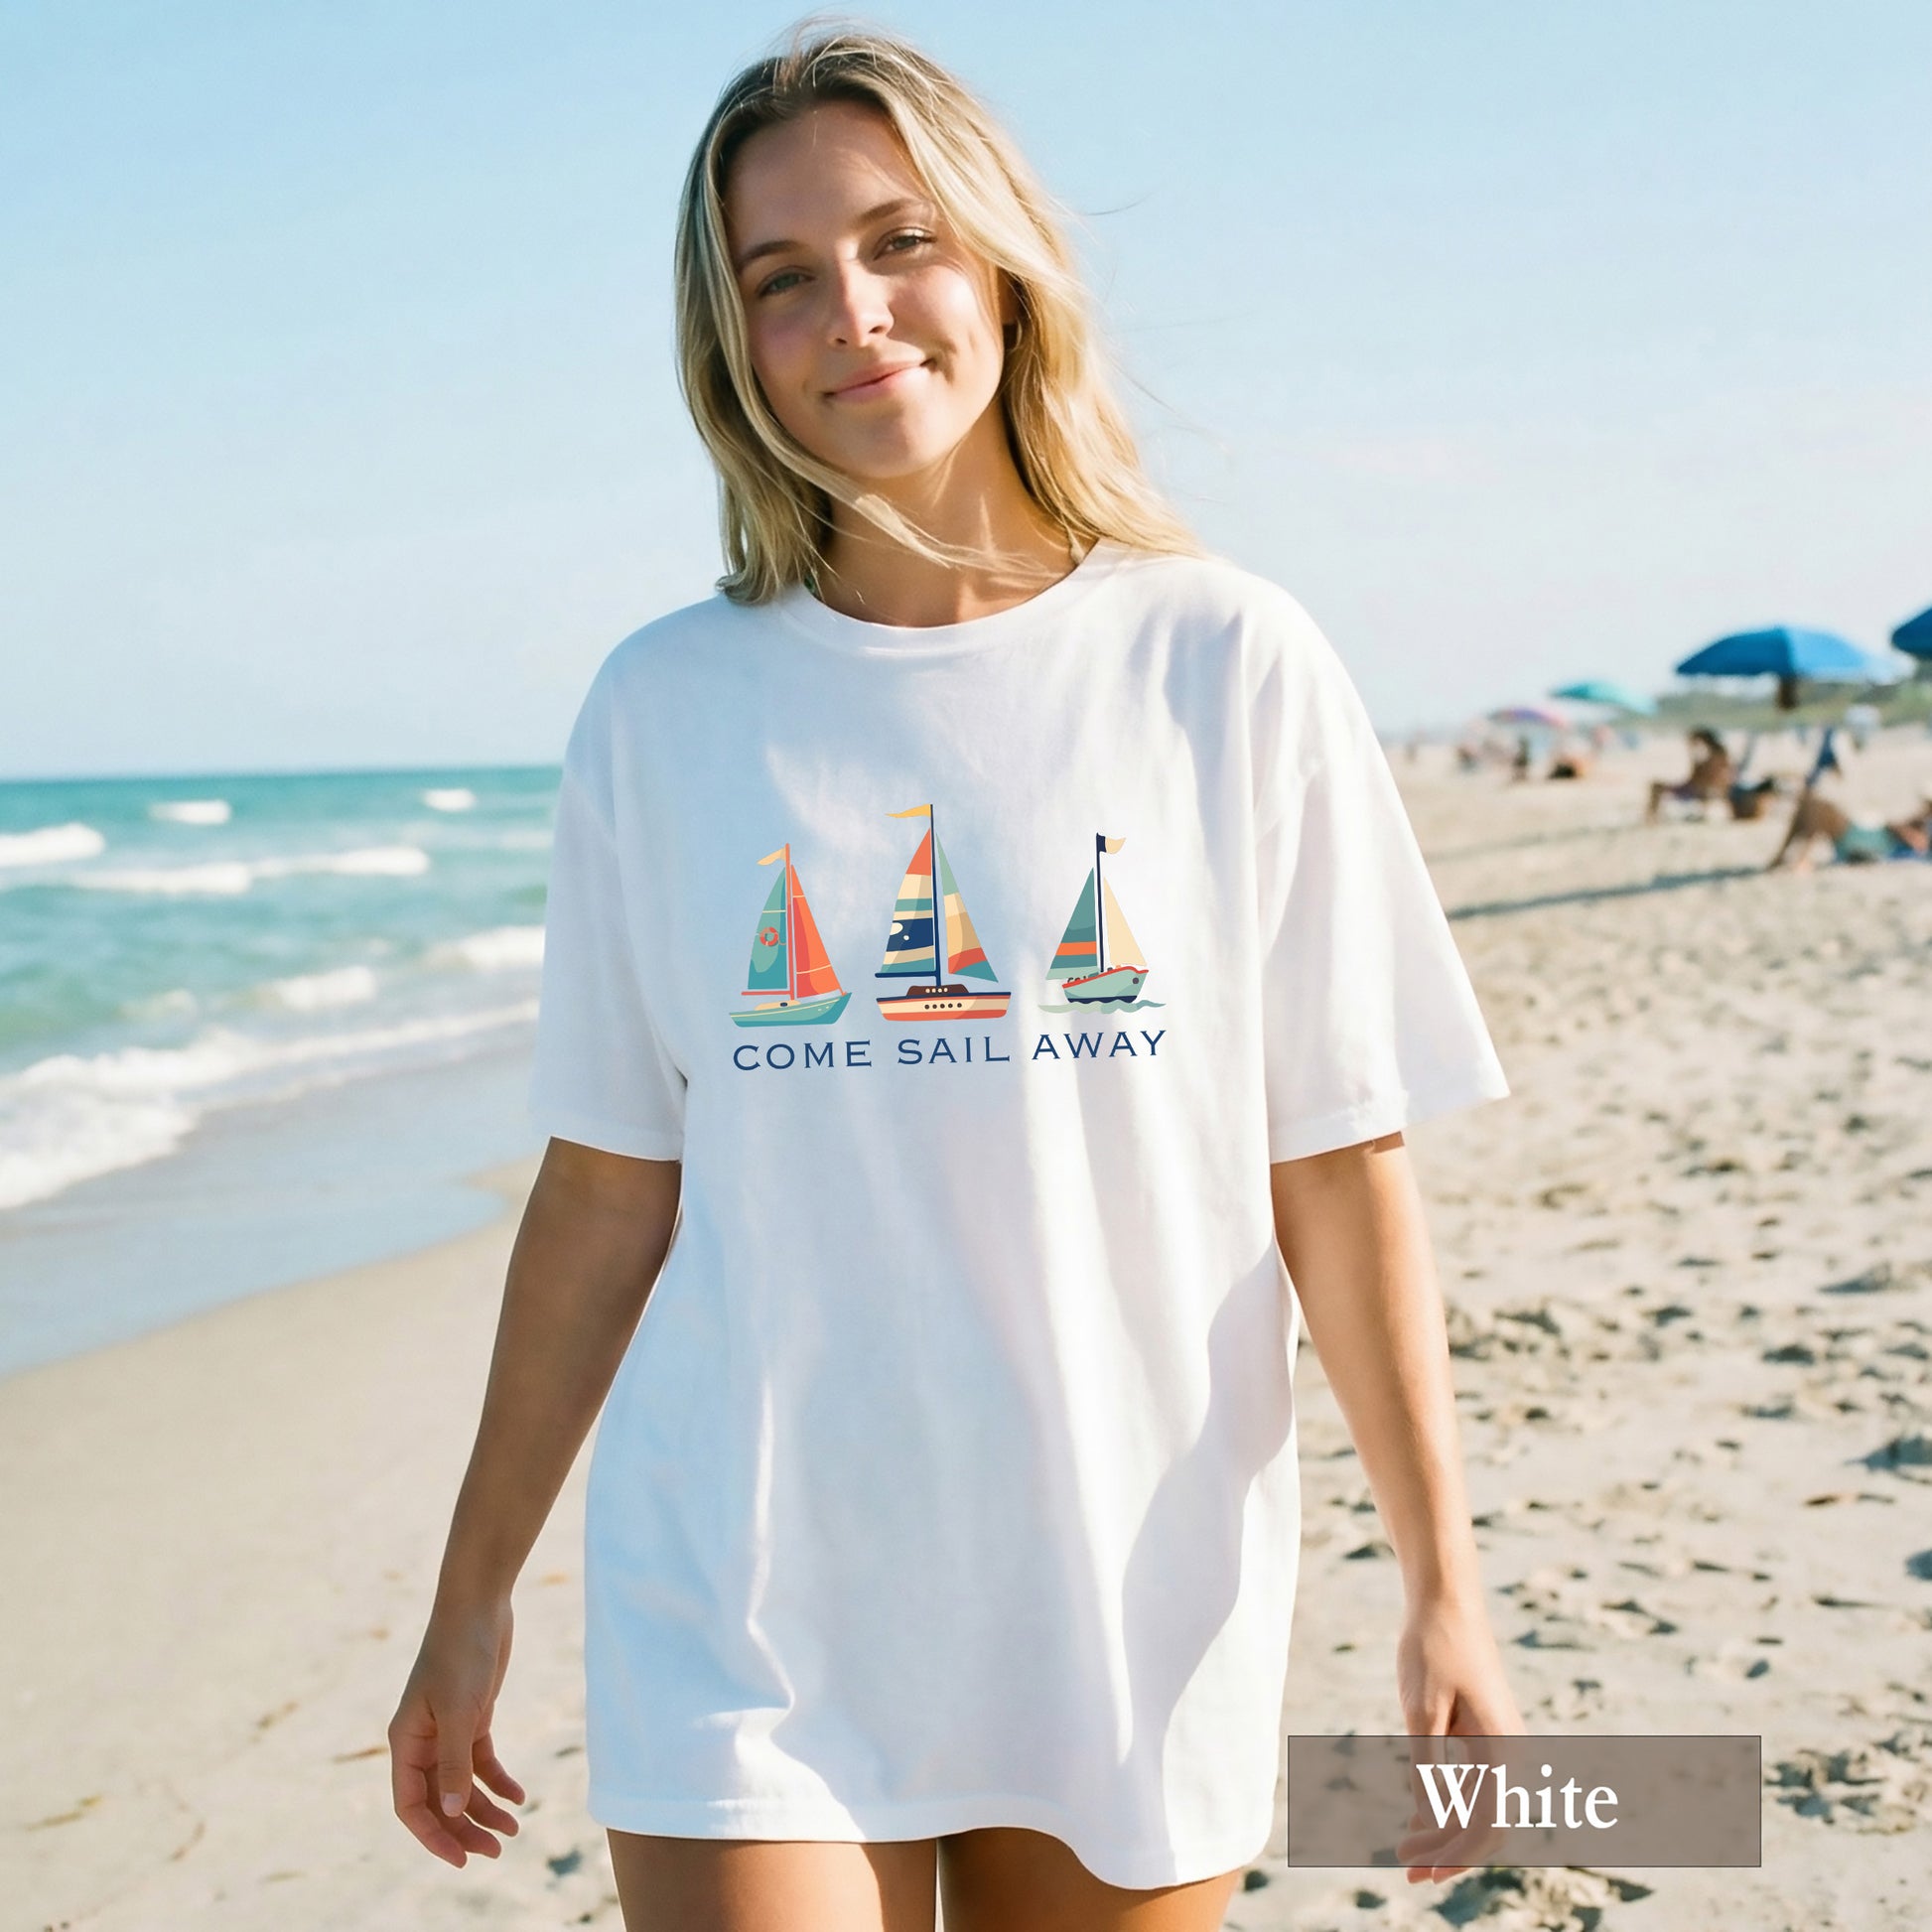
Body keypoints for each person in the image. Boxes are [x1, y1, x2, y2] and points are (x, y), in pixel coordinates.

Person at [388, 28, 1523, 1932]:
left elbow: (1333, 1159)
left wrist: (1443, 1585)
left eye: (901, 240)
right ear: (730, 344)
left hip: (1119, 1588)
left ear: (999, 264)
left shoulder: (1223, 664)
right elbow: (604, 1190)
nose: (857, 310)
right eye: (783, 278)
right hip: (741, 1592)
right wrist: (471, 1594)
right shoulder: (663, 709)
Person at [1766, 786, 1932, 872]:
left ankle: (1795, 857)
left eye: (1928, 805)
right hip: (1864, 834)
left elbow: (1919, 844)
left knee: (1815, 808)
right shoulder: (1918, 819)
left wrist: (1896, 827)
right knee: (1808, 805)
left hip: (1866, 842)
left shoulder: (1925, 827)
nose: (1924, 807)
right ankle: (1785, 856)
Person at [1644, 727, 1733, 822]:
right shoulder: (1718, 756)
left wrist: (1692, 754)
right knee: (1657, 786)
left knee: (1656, 787)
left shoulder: (1711, 758)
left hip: (1695, 790)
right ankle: (1651, 816)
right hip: (1698, 788)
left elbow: (1697, 778)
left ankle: (1651, 816)